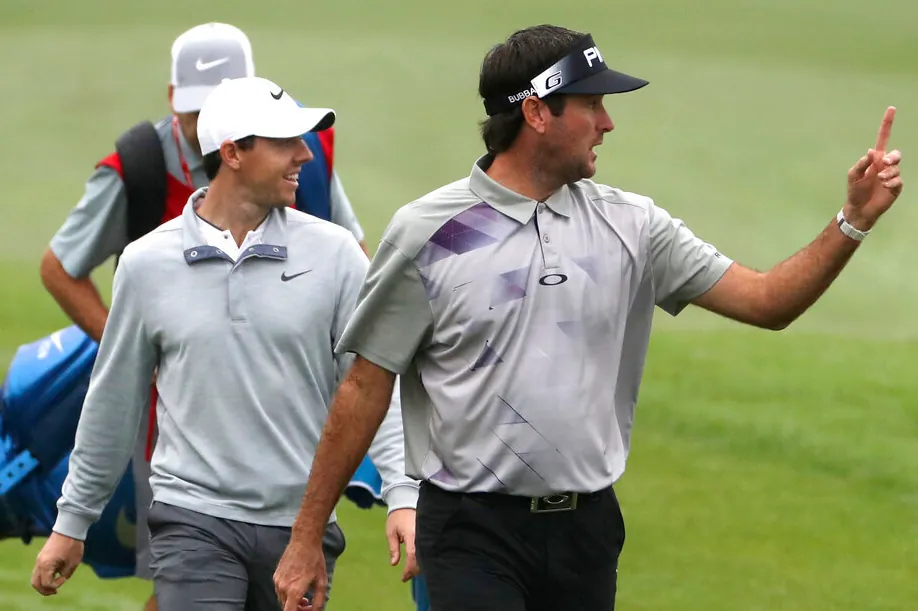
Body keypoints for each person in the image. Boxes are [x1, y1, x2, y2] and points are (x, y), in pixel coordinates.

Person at [271, 24, 904, 611]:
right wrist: (305, 539)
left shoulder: (634, 225)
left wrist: (853, 221)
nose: (607, 123)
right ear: (536, 112)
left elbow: (768, 302)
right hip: (468, 531)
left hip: (587, 531)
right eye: (592, 104)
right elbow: (364, 386)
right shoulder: (428, 233)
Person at [30, 76, 419, 610]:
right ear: (232, 153)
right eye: (284, 142)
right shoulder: (146, 264)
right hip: (191, 520)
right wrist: (72, 522)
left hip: (301, 527)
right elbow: (113, 401)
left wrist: (402, 492)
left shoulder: (336, 256)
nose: (305, 155)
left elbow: (372, 386)